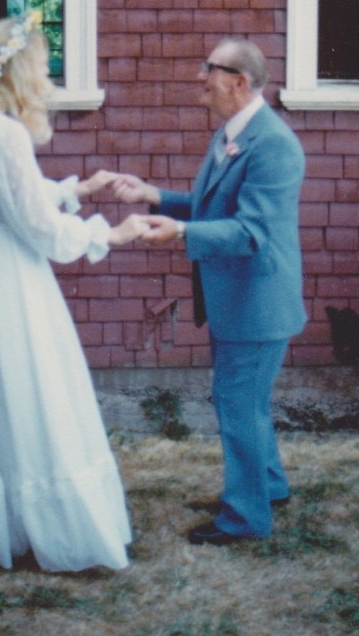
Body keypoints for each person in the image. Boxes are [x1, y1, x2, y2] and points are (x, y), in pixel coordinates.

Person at [0, 12, 148, 571]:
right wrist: (106, 233)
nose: (46, 73)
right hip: (12, 273)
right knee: (28, 383)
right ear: (23, 69)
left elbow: (9, 195)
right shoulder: (7, 131)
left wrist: (75, 188)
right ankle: (49, 527)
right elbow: (36, 226)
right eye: (42, 64)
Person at [112, 37, 307, 545]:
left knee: (237, 402)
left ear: (240, 83)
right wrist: (156, 196)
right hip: (236, 301)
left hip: (257, 305)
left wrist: (180, 233)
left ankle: (245, 519)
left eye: (210, 69)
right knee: (246, 402)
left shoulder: (275, 145)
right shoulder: (233, 133)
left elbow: (250, 232)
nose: (200, 77)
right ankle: (268, 487)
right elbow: (211, 206)